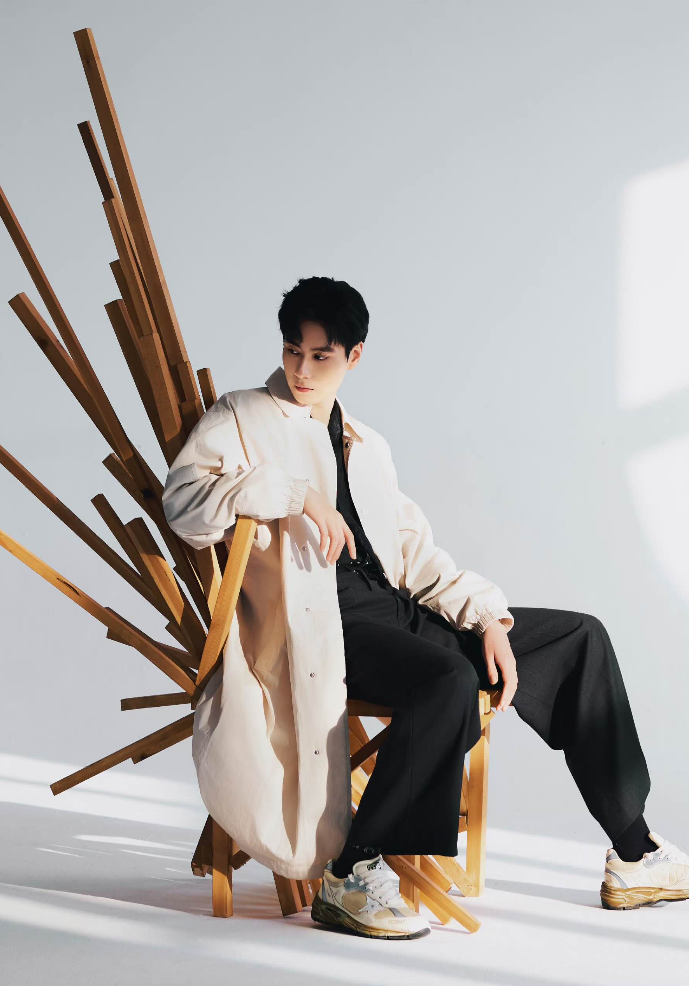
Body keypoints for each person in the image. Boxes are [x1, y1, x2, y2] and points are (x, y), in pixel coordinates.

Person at [162, 275, 689, 940]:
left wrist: (487, 618)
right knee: (448, 679)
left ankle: (634, 852)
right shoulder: (243, 417)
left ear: (354, 356)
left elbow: (415, 552)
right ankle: (353, 871)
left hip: (394, 612)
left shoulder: (366, 444)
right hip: (323, 626)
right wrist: (297, 494)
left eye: (321, 356)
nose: (301, 370)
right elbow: (183, 504)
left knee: (578, 638)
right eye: (293, 350)